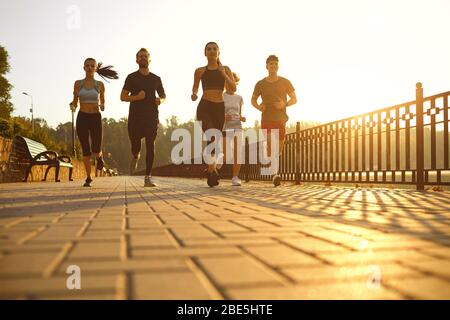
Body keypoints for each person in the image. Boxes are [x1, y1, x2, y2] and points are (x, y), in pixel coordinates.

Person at [191, 42, 236, 187]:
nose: (211, 51)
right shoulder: (199, 71)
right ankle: (212, 171)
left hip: (219, 108)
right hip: (204, 107)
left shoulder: (226, 69)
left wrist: (223, 74)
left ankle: (211, 171)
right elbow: (195, 86)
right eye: (209, 49)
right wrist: (194, 94)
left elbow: (233, 87)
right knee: (211, 135)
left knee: (214, 140)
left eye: (214, 49)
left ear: (219, 52)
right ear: (205, 53)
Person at [120, 48, 166, 187]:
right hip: (135, 118)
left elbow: (163, 96)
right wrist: (137, 97)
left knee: (150, 144)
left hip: (152, 116)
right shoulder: (131, 77)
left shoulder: (156, 79)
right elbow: (122, 97)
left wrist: (161, 100)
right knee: (135, 146)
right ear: (136, 60)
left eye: (145, 56)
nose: (143, 58)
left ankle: (148, 177)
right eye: (140, 56)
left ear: (149, 59)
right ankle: (135, 156)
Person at [70, 58, 118, 187]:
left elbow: (103, 100)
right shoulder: (77, 84)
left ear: (95, 68)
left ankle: (99, 157)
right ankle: (88, 177)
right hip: (82, 117)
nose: (90, 68)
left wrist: (102, 105)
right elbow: (75, 100)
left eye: (92, 66)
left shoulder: (100, 85)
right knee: (85, 148)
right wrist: (73, 106)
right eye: (87, 65)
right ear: (84, 68)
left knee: (96, 148)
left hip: (95, 117)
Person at [251, 55, 297, 187]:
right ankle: (275, 176)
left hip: (281, 119)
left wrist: (284, 104)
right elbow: (253, 100)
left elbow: (294, 99)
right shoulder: (260, 84)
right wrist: (259, 107)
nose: (273, 66)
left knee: (278, 151)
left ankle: (273, 168)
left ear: (278, 66)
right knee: (271, 145)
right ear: (266, 66)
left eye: (276, 64)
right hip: (267, 118)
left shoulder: (285, 82)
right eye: (271, 64)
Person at [223, 72, 245, 186]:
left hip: (237, 126)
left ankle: (235, 177)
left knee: (238, 152)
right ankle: (220, 158)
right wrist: (223, 117)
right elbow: (216, 113)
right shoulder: (221, 96)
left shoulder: (239, 98)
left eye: (231, 81)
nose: (229, 84)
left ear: (235, 82)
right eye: (226, 82)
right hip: (225, 127)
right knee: (227, 155)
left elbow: (239, 113)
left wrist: (242, 118)